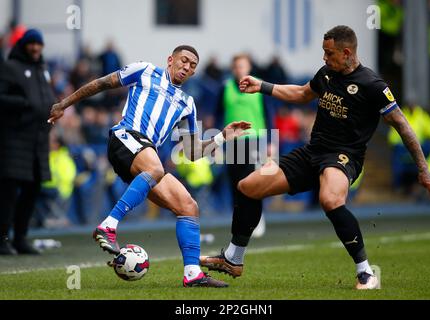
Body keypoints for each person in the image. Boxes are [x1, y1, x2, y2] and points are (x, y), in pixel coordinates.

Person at [200, 26, 430, 290]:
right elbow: (302, 94)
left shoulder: (373, 85)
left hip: (344, 156)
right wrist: (262, 86)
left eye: (329, 53)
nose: (324, 58)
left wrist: (424, 169)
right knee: (248, 187)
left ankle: (366, 273)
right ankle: (234, 258)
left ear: (346, 52)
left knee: (329, 199)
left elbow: (402, 125)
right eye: (323, 52)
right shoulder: (326, 73)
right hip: (311, 151)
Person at [48, 45, 251, 288]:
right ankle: (108, 226)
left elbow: (193, 152)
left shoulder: (188, 103)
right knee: (155, 168)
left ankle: (192, 273)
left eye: (193, 65)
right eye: (184, 60)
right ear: (170, 60)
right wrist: (64, 104)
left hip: (145, 156)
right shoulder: (144, 70)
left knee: (188, 207)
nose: (187, 67)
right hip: (125, 137)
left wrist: (221, 137)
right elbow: (101, 83)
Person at [0, 29, 56, 255]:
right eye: (31, 44)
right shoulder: (10, 67)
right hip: (14, 141)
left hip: (38, 142)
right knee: (8, 193)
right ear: (23, 45)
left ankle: (20, 238)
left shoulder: (43, 70)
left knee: (33, 191)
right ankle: (2, 239)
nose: (35, 48)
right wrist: (24, 104)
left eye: (38, 44)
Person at [215, 54, 273, 241]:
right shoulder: (225, 88)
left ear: (249, 68)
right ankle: (239, 221)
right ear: (233, 69)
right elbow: (217, 114)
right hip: (232, 140)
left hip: (256, 138)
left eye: (243, 66)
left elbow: (268, 114)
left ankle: (257, 218)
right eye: (236, 66)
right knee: (235, 182)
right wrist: (216, 139)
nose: (239, 69)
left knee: (254, 180)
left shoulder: (259, 86)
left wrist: (271, 141)